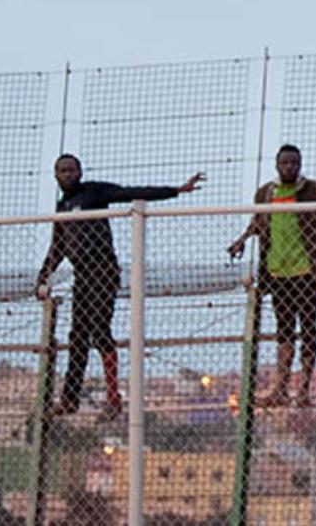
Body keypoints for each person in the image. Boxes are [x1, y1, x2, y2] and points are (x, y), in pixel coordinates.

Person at [34, 155, 205, 417]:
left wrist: (176, 190)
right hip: (82, 276)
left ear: (80, 172)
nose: (68, 174)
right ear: (55, 175)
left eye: (72, 169)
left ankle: (113, 398)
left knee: (100, 331)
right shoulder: (63, 206)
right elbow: (58, 247)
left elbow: (131, 193)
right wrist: (43, 275)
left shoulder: (94, 192)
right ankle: (70, 398)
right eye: (62, 171)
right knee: (77, 336)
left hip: (103, 271)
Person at [227, 136, 316, 407]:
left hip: (306, 272)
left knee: (308, 329)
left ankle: (303, 390)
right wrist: (242, 239)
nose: (289, 167)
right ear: (277, 165)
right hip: (277, 272)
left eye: (294, 162)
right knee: (283, 332)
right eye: (285, 162)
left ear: (300, 164)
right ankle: (280, 389)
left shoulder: (315, 191)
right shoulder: (266, 194)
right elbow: (259, 221)